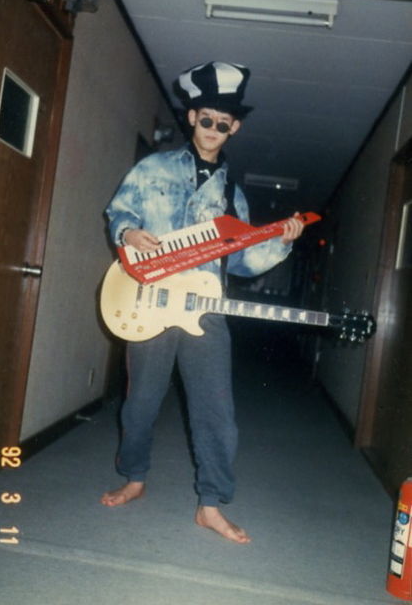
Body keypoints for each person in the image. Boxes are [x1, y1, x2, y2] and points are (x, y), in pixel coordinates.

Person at [101, 62, 304, 544]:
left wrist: (282, 241)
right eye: (206, 118)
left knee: (216, 413)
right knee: (141, 404)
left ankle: (210, 505)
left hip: (204, 311)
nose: (213, 128)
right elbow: (118, 211)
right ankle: (134, 477)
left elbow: (244, 262)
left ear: (235, 128)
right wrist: (128, 232)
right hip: (149, 302)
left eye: (223, 123)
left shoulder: (233, 196)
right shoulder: (152, 168)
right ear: (192, 117)